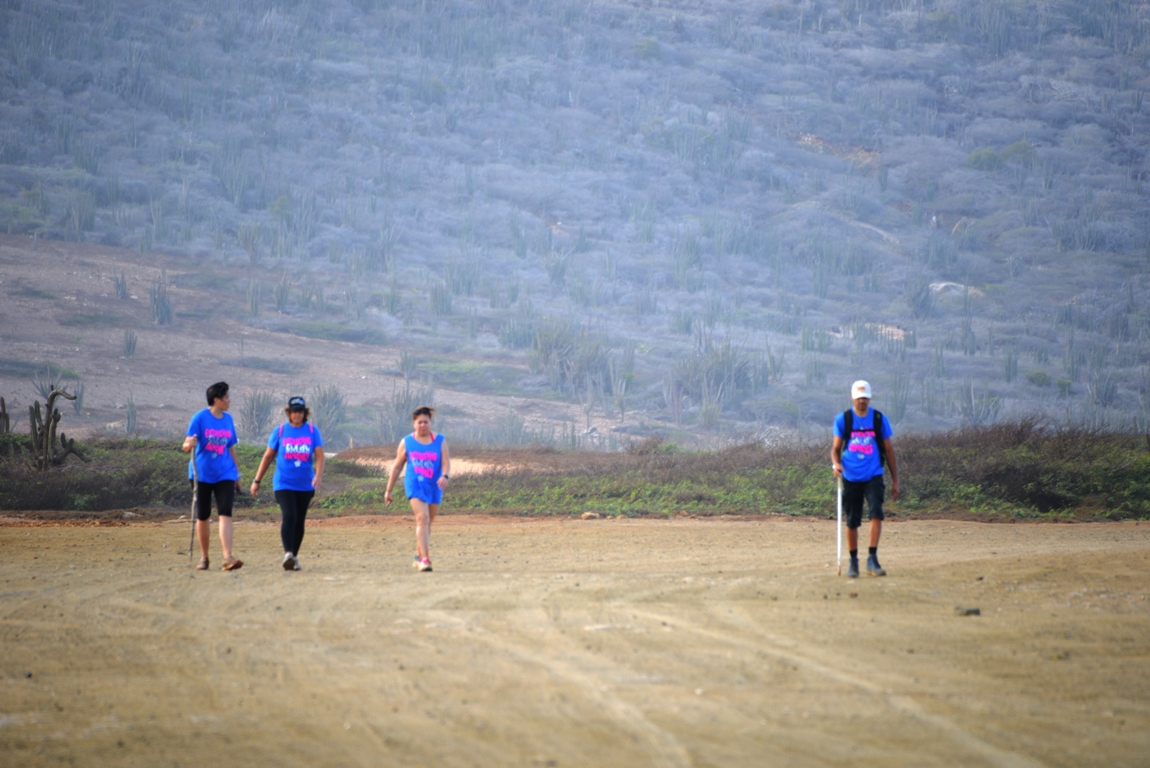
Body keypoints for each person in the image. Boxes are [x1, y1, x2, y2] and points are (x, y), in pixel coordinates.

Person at [831, 380, 899, 578]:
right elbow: (835, 450)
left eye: (865, 397)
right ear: (853, 398)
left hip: (874, 474)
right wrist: (836, 465)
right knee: (852, 520)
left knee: (876, 513)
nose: (862, 401)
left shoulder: (879, 419)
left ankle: (872, 559)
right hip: (851, 476)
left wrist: (896, 481)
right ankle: (853, 562)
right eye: (859, 397)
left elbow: (889, 450)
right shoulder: (843, 420)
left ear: (869, 398)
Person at [250, 396, 325, 571]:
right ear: (288, 413)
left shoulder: (313, 431)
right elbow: (268, 457)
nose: (297, 415)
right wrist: (256, 480)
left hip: (306, 484)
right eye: (294, 411)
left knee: (299, 521)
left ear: (305, 413)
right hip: (283, 483)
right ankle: (288, 553)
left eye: (300, 411)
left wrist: (319, 476)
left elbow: (320, 456)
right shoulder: (280, 431)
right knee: (289, 515)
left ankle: (294, 557)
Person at [182, 381, 243, 571]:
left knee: (225, 511)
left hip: (225, 472)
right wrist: (188, 444)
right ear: (216, 400)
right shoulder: (199, 418)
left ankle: (227, 557)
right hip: (202, 474)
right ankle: (204, 557)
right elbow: (186, 445)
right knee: (203, 515)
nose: (229, 400)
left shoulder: (228, 419)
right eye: (226, 397)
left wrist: (237, 474)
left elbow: (230, 447)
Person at [384, 406, 451, 572]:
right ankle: (424, 560)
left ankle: (417, 554)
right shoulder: (407, 442)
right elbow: (397, 467)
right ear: (414, 423)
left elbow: (446, 463)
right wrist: (389, 490)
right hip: (414, 485)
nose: (423, 425)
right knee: (422, 518)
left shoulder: (440, 440)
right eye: (419, 422)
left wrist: (445, 476)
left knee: (428, 523)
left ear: (430, 423)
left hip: (435, 486)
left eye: (426, 422)